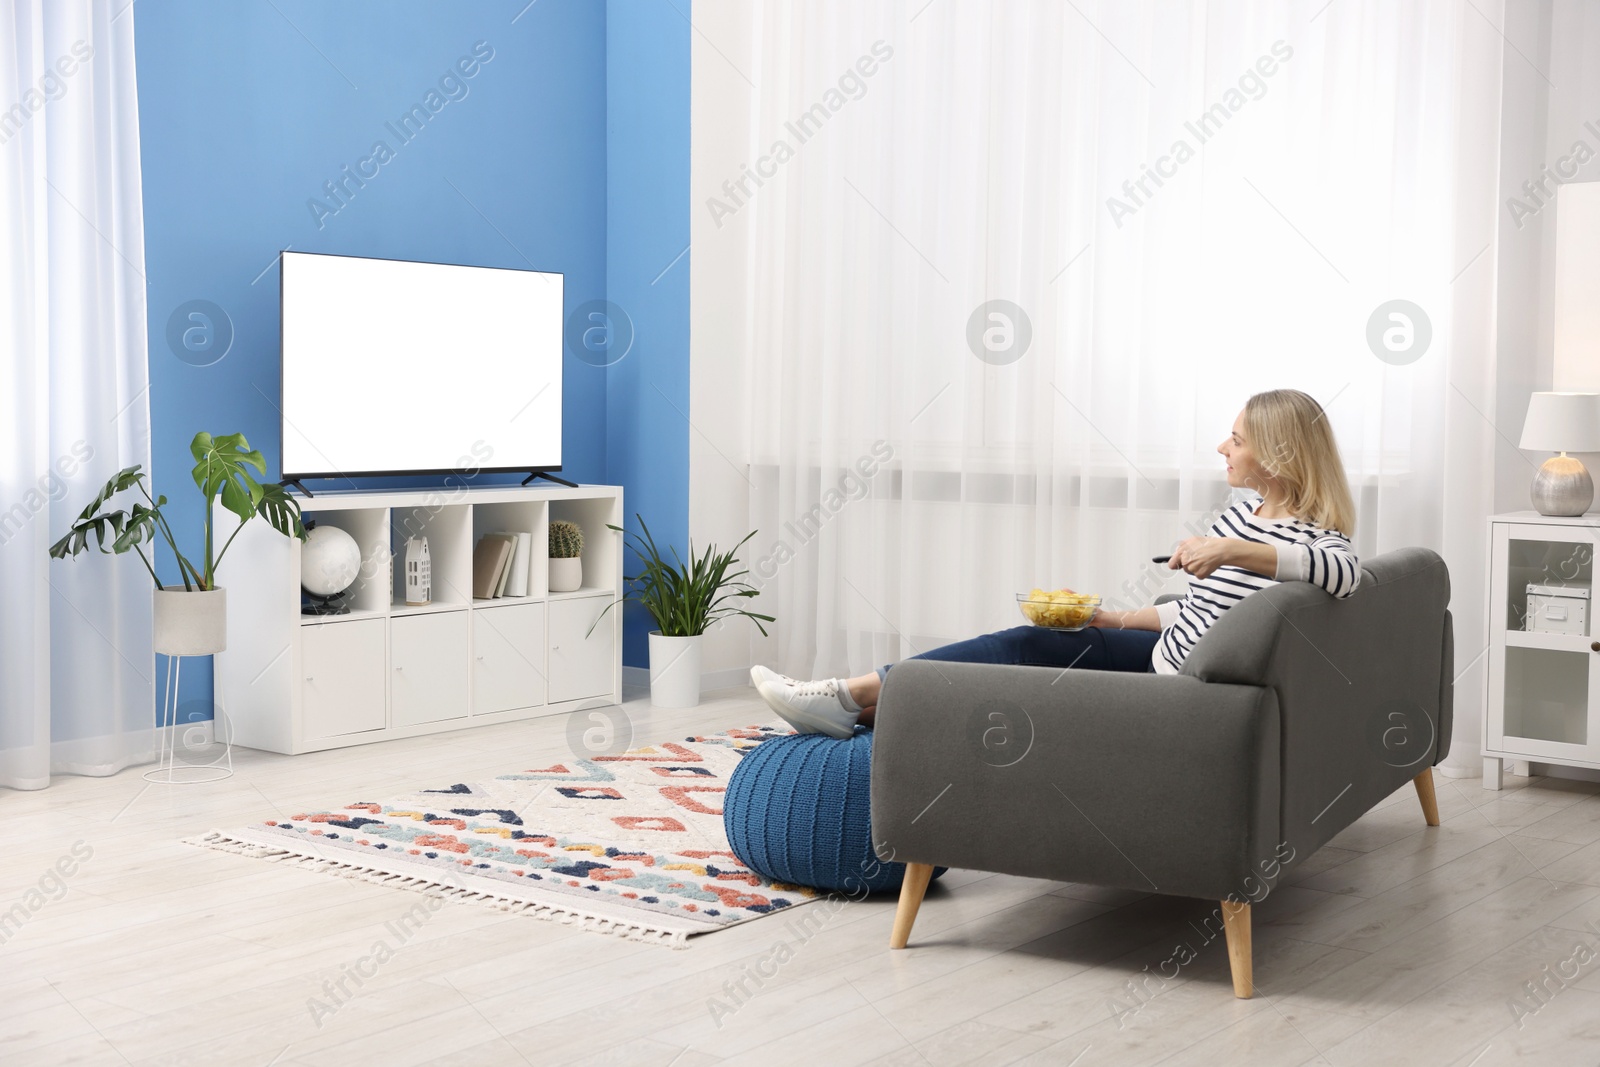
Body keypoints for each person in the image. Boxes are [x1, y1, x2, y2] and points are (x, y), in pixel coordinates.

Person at [751, 388, 1361, 737]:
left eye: (1238, 438)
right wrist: (1111, 618)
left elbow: (1343, 572)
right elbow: (1197, 617)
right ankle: (856, 707)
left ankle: (844, 695)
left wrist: (1229, 550)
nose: (1222, 447)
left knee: (1017, 654)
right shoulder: (1245, 511)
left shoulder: (1311, 536)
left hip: (1172, 690)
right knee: (1028, 637)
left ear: (1279, 454)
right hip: (1158, 654)